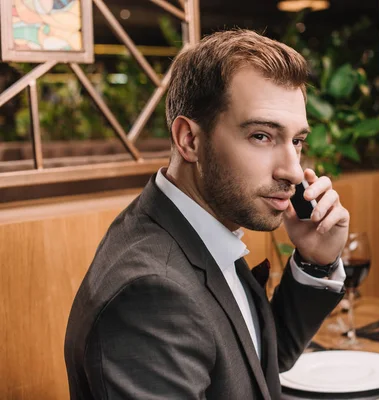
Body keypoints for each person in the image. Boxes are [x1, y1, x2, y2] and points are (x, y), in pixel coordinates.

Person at [64, 29, 350, 399]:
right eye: (262, 136)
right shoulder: (152, 294)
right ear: (189, 140)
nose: (294, 171)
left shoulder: (195, 227)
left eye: (296, 141)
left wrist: (315, 261)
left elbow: (253, 361)